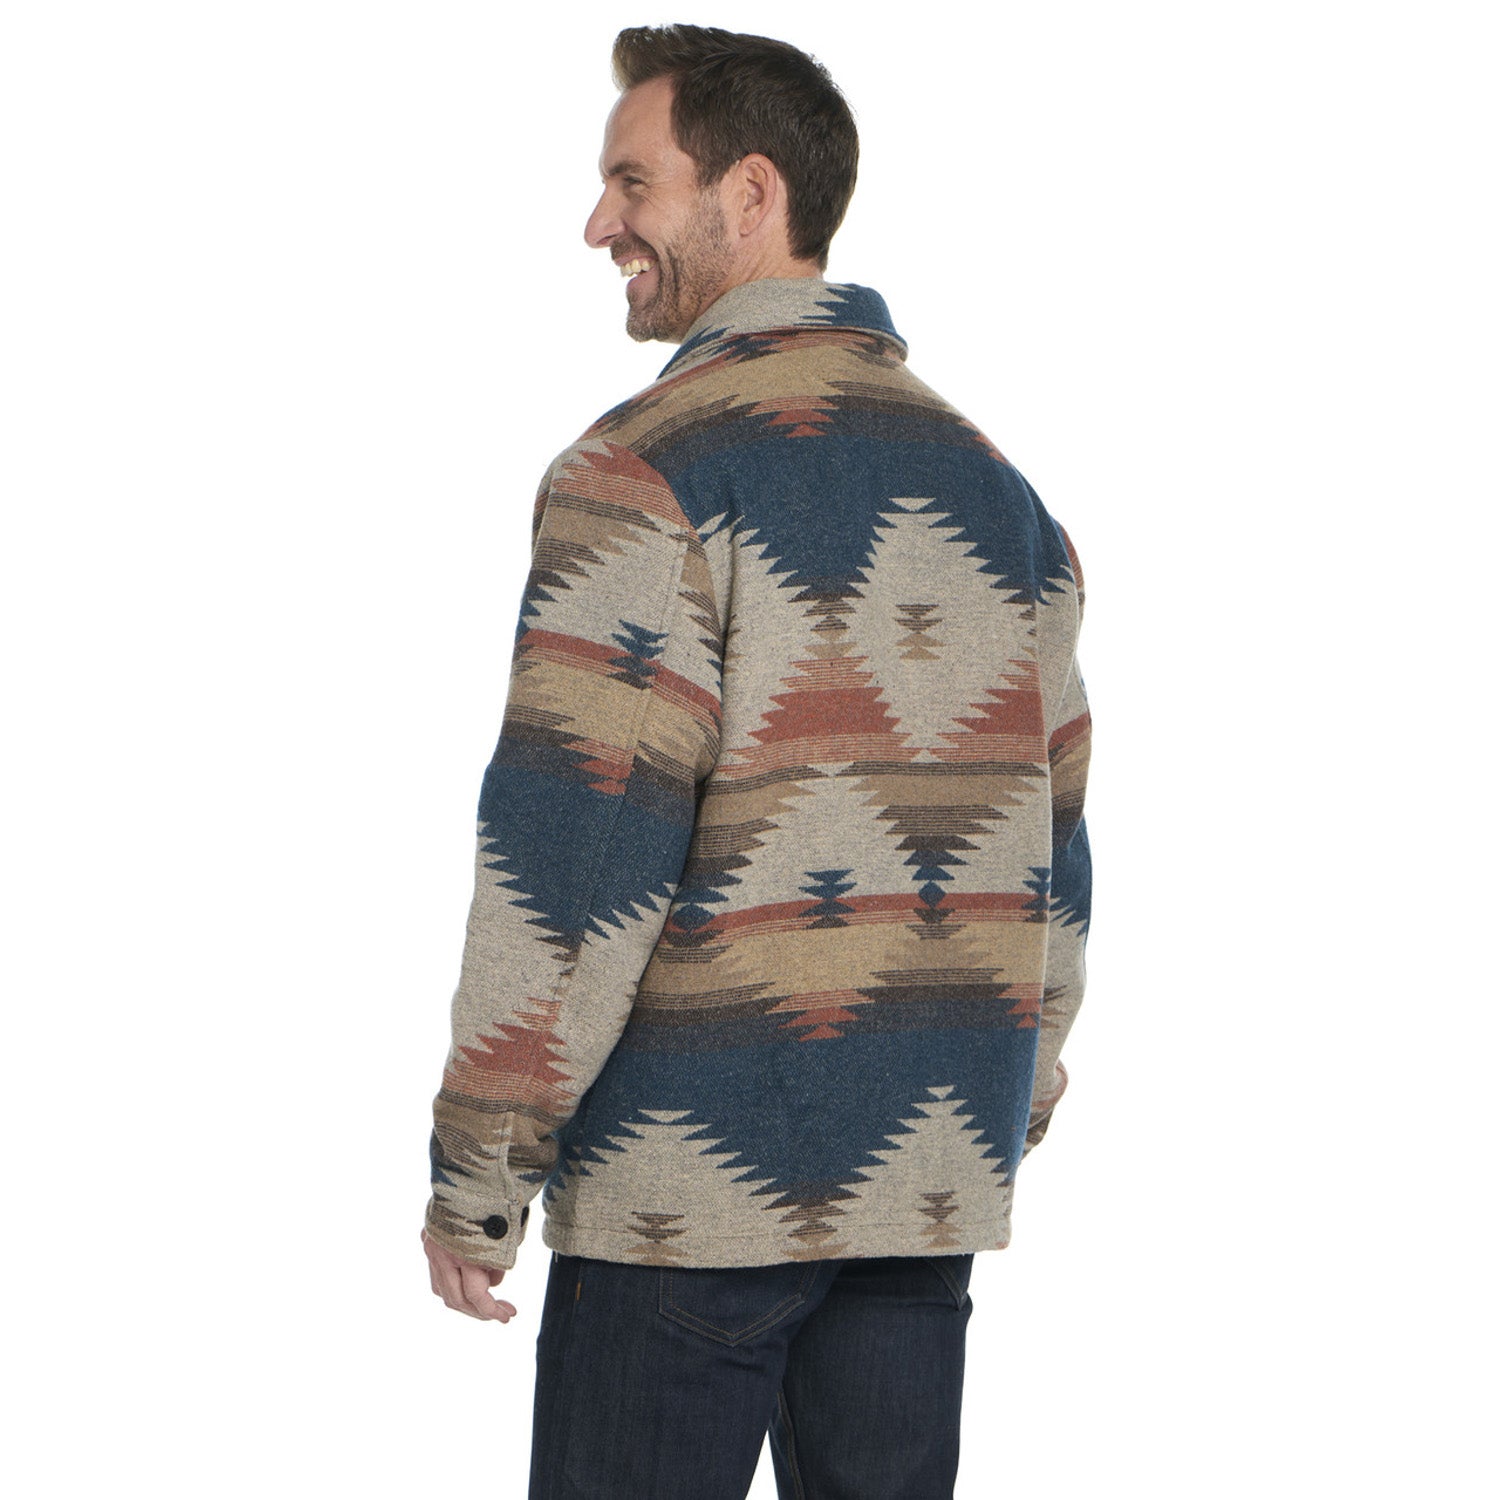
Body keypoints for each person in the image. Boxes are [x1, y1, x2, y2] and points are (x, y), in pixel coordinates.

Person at [421, 23, 1091, 1500]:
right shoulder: (999, 493)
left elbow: (573, 858)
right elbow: (1056, 846)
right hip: (921, 1182)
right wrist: (1008, 1101)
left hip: (688, 1194)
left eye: (632, 182)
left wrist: (482, 1168)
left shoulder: (647, 471)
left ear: (752, 194)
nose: (598, 225)